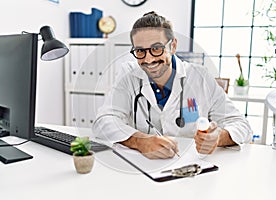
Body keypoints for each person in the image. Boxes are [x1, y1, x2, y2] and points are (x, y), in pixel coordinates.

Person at [92, 11, 252, 159]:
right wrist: (140, 142)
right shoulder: (128, 74)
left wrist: (218, 137)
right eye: (140, 51)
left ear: (173, 46)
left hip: (190, 169)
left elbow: (242, 125)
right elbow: (103, 121)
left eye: (156, 48)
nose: (148, 60)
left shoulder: (200, 77)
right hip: (143, 169)